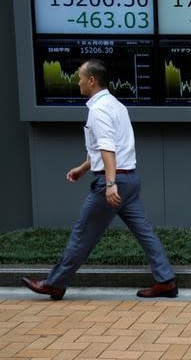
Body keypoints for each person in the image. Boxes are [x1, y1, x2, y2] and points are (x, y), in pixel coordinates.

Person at [22, 59, 178, 300]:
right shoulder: (116, 105)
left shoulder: (98, 109)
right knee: (145, 232)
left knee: (82, 233)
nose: (78, 82)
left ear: (92, 80)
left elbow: (108, 148)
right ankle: (166, 281)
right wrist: (85, 167)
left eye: (80, 77)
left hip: (115, 182)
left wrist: (109, 182)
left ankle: (55, 283)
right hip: (130, 179)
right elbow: (109, 146)